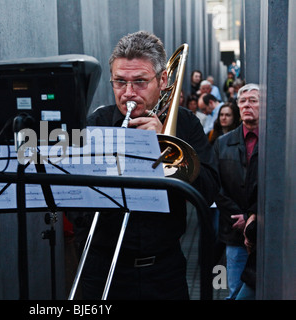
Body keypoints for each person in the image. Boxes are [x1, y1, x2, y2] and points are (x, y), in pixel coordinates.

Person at [73, 30, 220, 300]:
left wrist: (165, 144)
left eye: (140, 82)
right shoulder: (97, 124)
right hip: (105, 269)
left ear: (163, 80)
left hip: (164, 270)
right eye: (120, 82)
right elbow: (73, 199)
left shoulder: (186, 124)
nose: (128, 93)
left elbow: (209, 190)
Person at [214, 83, 259, 300]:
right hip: (234, 231)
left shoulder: (276, 141)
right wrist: (239, 217)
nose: (247, 105)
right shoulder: (222, 143)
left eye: (253, 100)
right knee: (234, 291)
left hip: (264, 232)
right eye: (243, 101)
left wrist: (253, 215)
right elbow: (216, 186)